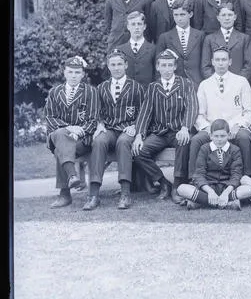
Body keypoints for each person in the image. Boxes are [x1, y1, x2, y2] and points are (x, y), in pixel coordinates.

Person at [132, 49, 199, 204]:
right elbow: (145, 112)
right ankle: (163, 183)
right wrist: (139, 135)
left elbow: (192, 107)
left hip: (178, 131)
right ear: (158, 67)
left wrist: (185, 128)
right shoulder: (153, 87)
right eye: (163, 65)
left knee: (184, 141)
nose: (167, 69)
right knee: (138, 152)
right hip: (159, 133)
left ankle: (177, 185)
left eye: (170, 65)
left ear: (175, 66)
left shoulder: (186, 84)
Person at [90, 50, 145, 210]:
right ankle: (93, 194)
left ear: (126, 65)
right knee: (99, 141)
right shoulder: (102, 87)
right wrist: (100, 124)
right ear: (108, 66)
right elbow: (96, 112)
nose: (116, 68)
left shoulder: (136, 87)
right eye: (113, 65)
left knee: (123, 142)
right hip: (109, 129)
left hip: (128, 130)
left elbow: (144, 112)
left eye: (119, 64)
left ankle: (125, 194)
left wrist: (135, 126)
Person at [44, 56, 100, 208]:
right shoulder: (55, 92)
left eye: (77, 72)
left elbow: (93, 119)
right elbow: (50, 117)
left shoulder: (91, 92)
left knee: (60, 149)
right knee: (60, 135)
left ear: (83, 74)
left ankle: (65, 194)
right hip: (62, 135)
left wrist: (79, 132)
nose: (73, 76)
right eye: (70, 72)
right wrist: (69, 128)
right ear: (64, 73)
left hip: (82, 140)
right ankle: (72, 176)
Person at [190, 46, 251, 179]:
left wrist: (239, 125)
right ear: (212, 62)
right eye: (218, 60)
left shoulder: (241, 81)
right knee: (197, 140)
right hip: (211, 128)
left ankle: (247, 177)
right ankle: (194, 178)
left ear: (230, 62)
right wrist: (207, 128)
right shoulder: (204, 84)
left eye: (224, 60)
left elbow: (249, 111)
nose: (221, 63)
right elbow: (199, 114)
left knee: (243, 137)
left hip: (235, 127)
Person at [175, 119, 251, 210]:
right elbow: (199, 174)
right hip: (207, 187)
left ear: (228, 135)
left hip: (226, 187)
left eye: (223, 136)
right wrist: (210, 192)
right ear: (210, 136)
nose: (219, 139)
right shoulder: (204, 149)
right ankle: (228, 203)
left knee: (249, 190)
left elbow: (236, 175)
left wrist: (226, 193)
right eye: (216, 136)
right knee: (181, 188)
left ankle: (201, 202)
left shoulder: (235, 150)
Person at [155, 0, 205, 88]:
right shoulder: (165, 37)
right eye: (176, 15)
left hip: (196, 83)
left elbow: (204, 61)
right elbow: (158, 64)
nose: (179, 18)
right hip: (174, 85)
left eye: (182, 14)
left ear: (190, 14)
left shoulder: (200, 35)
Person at [200, 3, 251, 80]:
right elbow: (205, 67)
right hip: (216, 83)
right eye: (223, 15)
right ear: (218, 18)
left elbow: (249, 65)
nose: (227, 18)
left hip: (238, 83)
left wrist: (238, 81)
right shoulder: (209, 39)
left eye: (230, 15)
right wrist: (217, 81)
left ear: (235, 17)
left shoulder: (244, 39)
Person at [114, 11, 157, 87]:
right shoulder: (120, 50)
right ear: (128, 27)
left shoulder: (153, 49)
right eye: (133, 24)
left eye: (139, 24)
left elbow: (157, 75)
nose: (136, 27)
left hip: (147, 91)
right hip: (126, 92)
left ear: (144, 26)